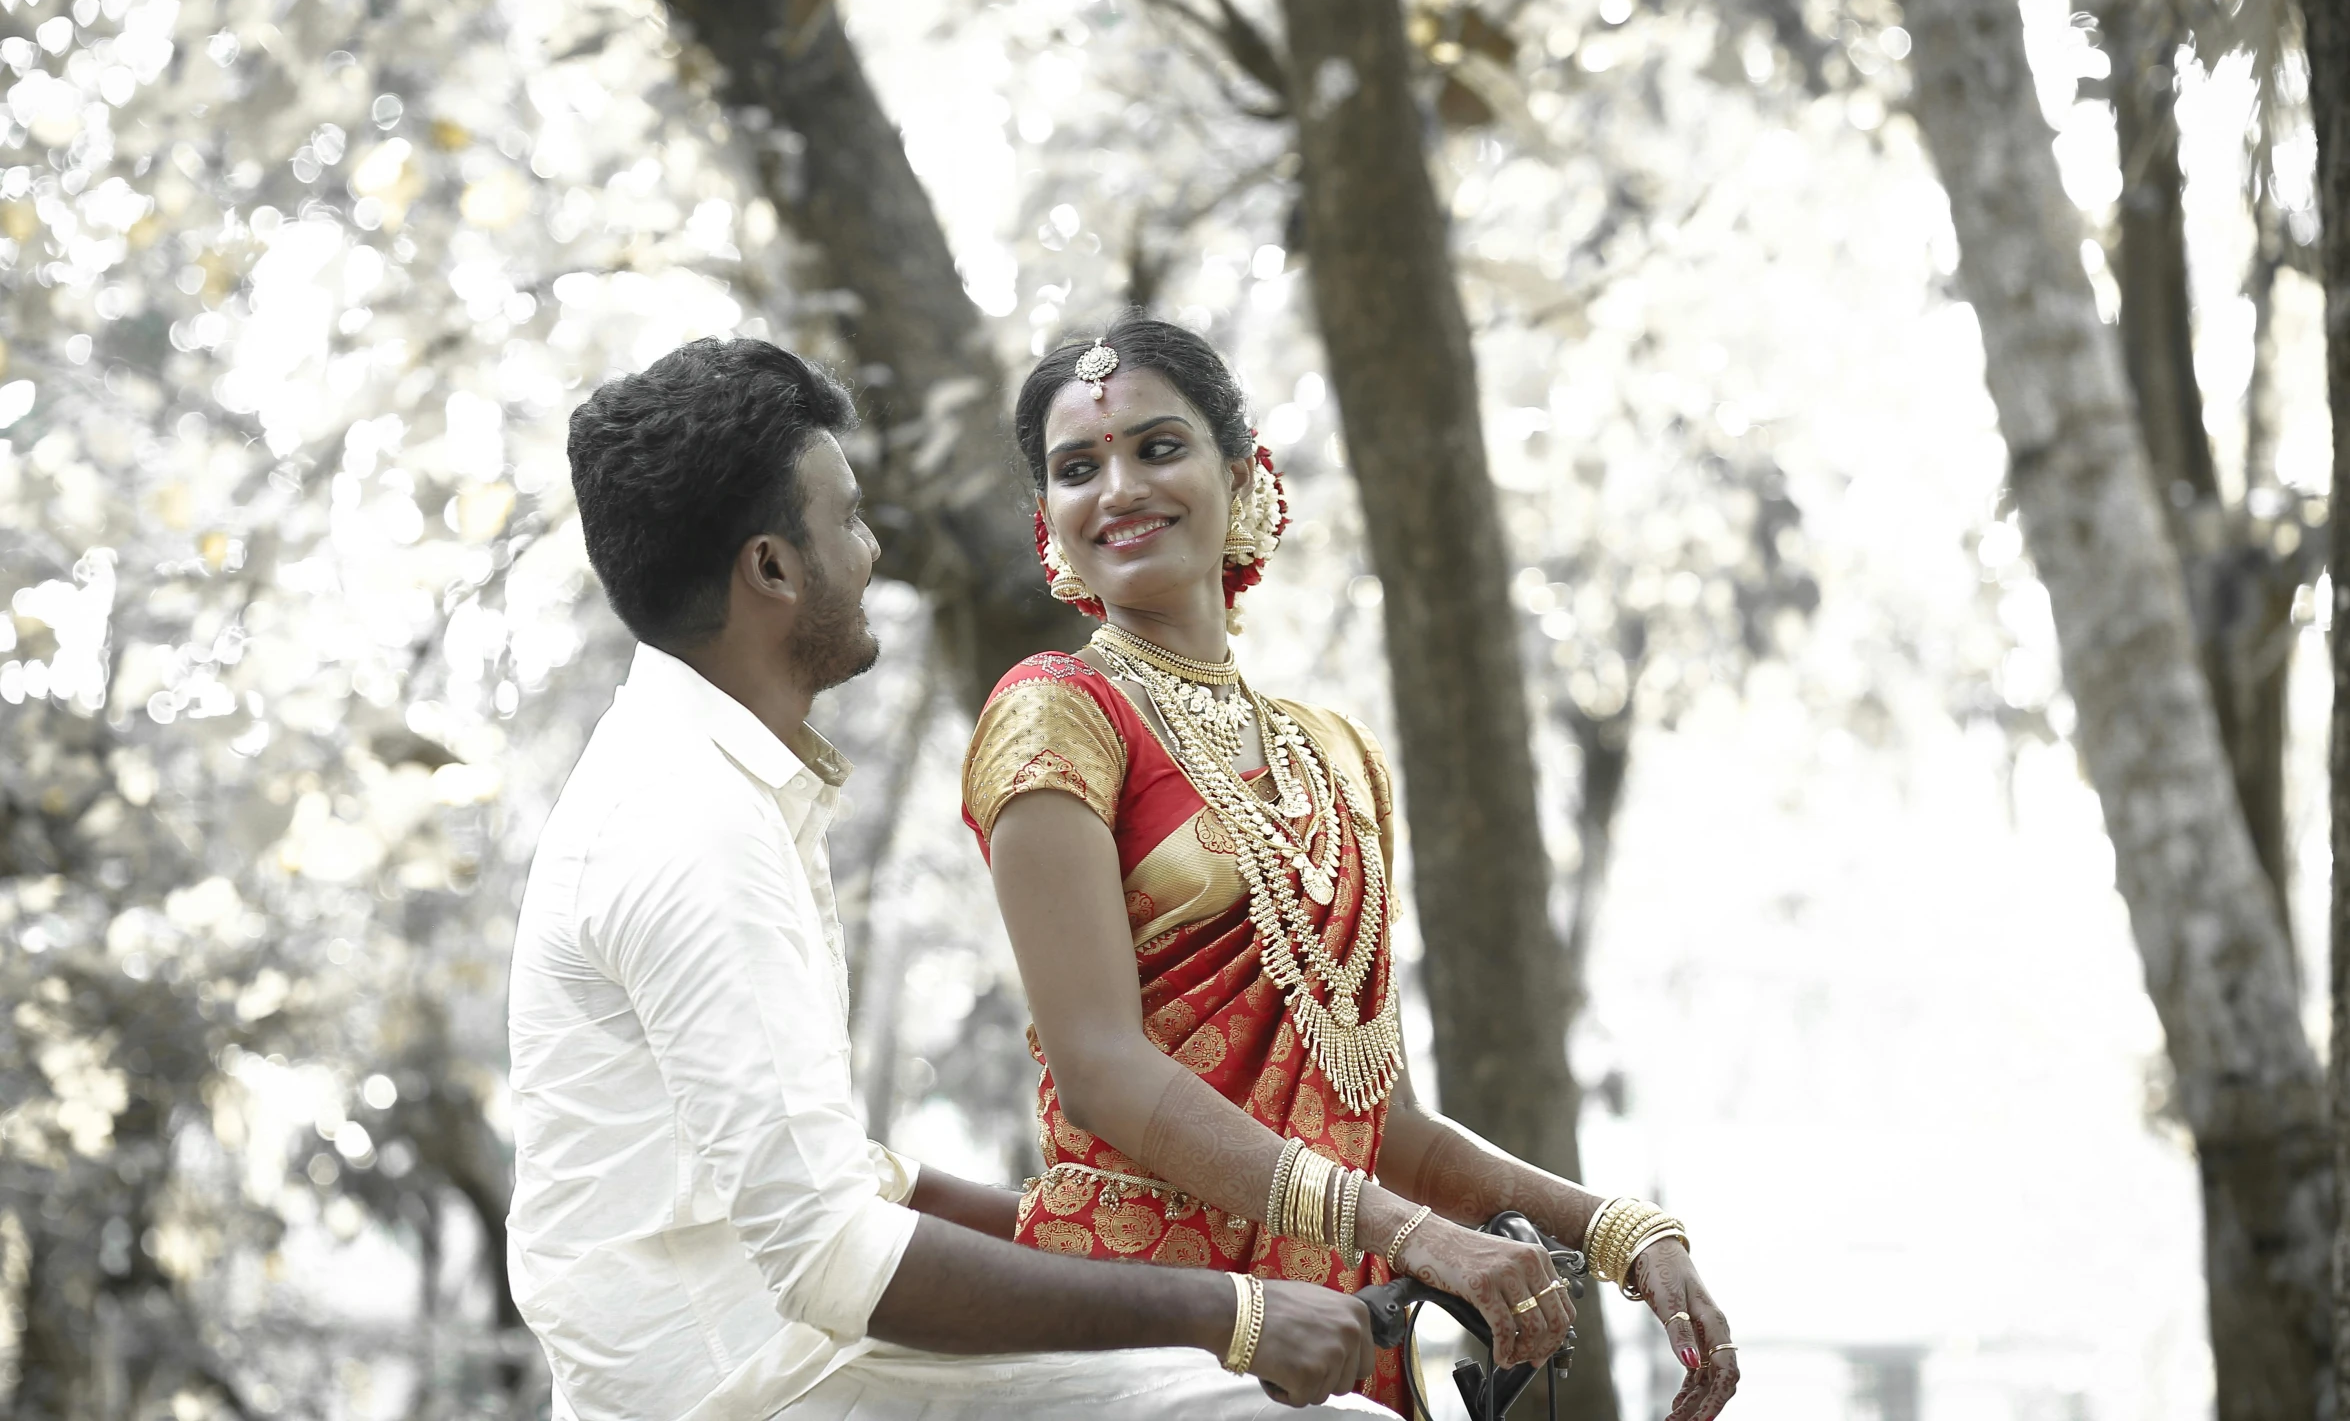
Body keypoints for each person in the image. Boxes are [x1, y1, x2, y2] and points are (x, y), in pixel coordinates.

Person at [506, 337, 1391, 1421]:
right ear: (773, 570)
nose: (873, 553)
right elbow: (833, 1254)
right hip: (754, 1387)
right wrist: (1228, 1312)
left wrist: (1080, 1240)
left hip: (793, 1353)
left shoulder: (705, 780)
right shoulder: (691, 828)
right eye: (847, 520)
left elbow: (833, 1176)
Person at [959, 316, 1741, 1419]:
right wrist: (1417, 1236)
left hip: (1339, 1331)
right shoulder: (1056, 715)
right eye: (1078, 468)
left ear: (1241, 475)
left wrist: (1616, 1229)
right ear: (1052, 524)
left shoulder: (1336, 759)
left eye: (1158, 447)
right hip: (1139, 1324)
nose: (1120, 488)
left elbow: (1383, 1121)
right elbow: (1099, 1070)